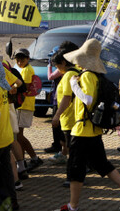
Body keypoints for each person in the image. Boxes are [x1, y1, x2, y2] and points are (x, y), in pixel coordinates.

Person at [56, 39, 120, 211]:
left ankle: (73, 206)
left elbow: (88, 100)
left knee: (75, 170)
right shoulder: (96, 76)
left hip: (82, 131)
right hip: (93, 130)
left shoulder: (85, 76)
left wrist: (74, 85)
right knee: (102, 164)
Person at [50, 44, 81, 187]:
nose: (57, 69)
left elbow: (66, 98)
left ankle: (73, 178)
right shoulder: (75, 72)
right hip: (72, 117)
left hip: (70, 118)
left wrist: (56, 116)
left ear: (63, 63)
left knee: (72, 151)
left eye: (57, 66)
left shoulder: (69, 74)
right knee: (73, 149)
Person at [0, 58, 18, 209]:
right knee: (5, 173)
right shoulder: (2, 89)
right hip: (6, 138)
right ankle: (12, 202)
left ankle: (0, 203)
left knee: (0, 175)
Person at [13, 48, 42, 172]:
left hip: (23, 105)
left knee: (18, 136)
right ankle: (22, 162)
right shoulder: (24, 69)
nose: (19, 61)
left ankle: (34, 158)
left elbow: (20, 86)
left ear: (28, 59)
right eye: (17, 59)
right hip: (24, 105)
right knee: (19, 135)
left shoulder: (26, 70)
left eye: (22, 59)